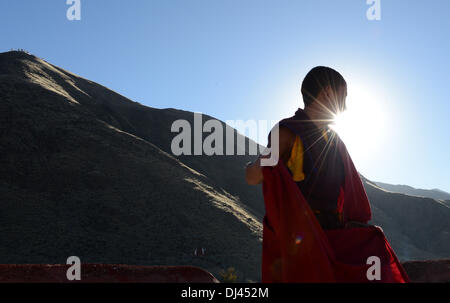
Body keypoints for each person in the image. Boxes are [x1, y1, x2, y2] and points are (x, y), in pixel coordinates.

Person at [246, 66, 351, 230]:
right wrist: (250, 168)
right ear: (328, 92)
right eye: (343, 96)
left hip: (335, 230)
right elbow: (254, 177)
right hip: (303, 235)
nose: (345, 107)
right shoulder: (289, 131)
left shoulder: (333, 140)